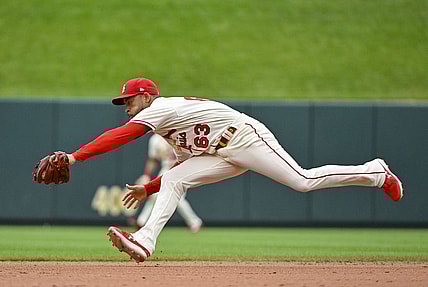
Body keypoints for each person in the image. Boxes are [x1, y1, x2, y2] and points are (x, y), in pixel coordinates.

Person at [64, 77, 403, 263]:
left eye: (129, 100)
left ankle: (374, 172)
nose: (126, 107)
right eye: (124, 103)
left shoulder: (161, 109)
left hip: (245, 138)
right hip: (220, 152)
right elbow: (181, 168)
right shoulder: (170, 130)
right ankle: (145, 241)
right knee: (176, 180)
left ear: (145, 97)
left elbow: (121, 136)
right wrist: (147, 189)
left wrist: (75, 157)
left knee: (302, 181)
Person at [132, 133, 202, 232]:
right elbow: (153, 160)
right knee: (156, 195)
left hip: (182, 167)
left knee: (177, 199)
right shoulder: (155, 139)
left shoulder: (178, 131)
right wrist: (147, 175)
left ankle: (194, 221)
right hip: (166, 168)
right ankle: (142, 221)